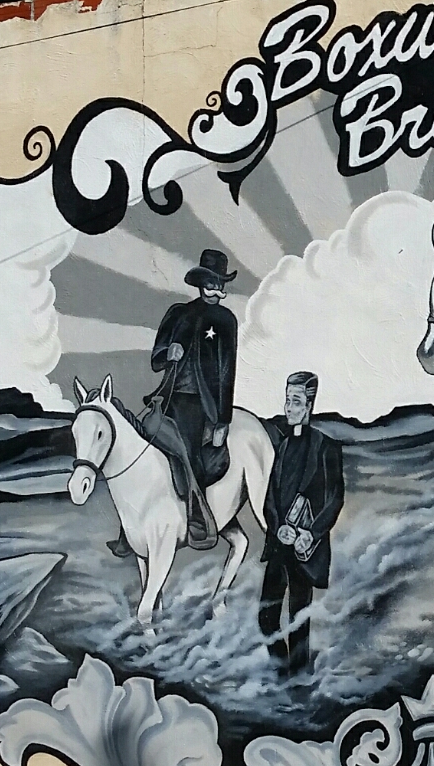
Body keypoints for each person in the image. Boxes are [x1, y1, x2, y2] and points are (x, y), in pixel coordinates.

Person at [145, 248, 239, 548]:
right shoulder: (178, 313)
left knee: (189, 454)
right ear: (201, 284)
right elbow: (156, 358)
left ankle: (198, 521)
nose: (216, 289)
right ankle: (133, 528)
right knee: (145, 444)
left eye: (220, 284)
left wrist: (223, 420)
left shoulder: (226, 320)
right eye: (211, 283)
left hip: (200, 403)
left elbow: (228, 370)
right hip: (168, 395)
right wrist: (167, 353)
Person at [259, 371, 344, 674]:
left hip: (305, 550)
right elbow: (270, 496)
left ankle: (298, 679)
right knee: (266, 618)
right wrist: (277, 526)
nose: (289, 408)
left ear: (309, 405)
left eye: (296, 402)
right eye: (287, 400)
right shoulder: (282, 447)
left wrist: (312, 533)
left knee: (298, 621)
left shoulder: (326, 447)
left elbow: (334, 499)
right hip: (279, 546)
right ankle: (283, 673)